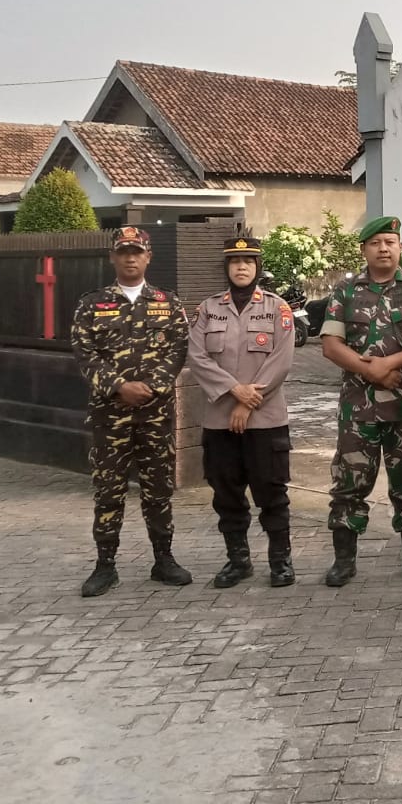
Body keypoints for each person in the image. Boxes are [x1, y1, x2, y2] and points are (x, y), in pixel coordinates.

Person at [70, 226, 192, 598]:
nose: (130, 257)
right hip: (111, 415)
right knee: (109, 491)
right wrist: (119, 386)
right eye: (123, 251)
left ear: (148, 256)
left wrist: (150, 387)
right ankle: (105, 566)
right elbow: (84, 353)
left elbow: (178, 349)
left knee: (158, 490)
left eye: (137, 251)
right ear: (112, 257)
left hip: (155, 414)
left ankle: (164, 559)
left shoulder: (167, 303)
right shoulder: (91, 305)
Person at [320, 215, 402, 587]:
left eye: (390, 242)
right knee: (349, 481)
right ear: (364, 250)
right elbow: (330, 345)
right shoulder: (346, 291)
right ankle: (344, 561)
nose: (383, 248)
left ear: (400, 247)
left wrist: (390, 363)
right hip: (359, 407)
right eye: (375, 243)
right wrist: (371, 371)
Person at [186, 234, 298, 589]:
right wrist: (235, 392)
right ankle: (238, 561)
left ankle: (280, 562)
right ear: (227, 267)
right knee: (227, 494)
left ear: (257, 266)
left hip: (265, 420)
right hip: (220, 420)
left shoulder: (278, 308)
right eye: (235, 262)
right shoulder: (208, 309)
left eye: (248, 261)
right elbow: (197, 357)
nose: (242, 267)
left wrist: (247, 404)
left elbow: (281, 361)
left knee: (272, 493)